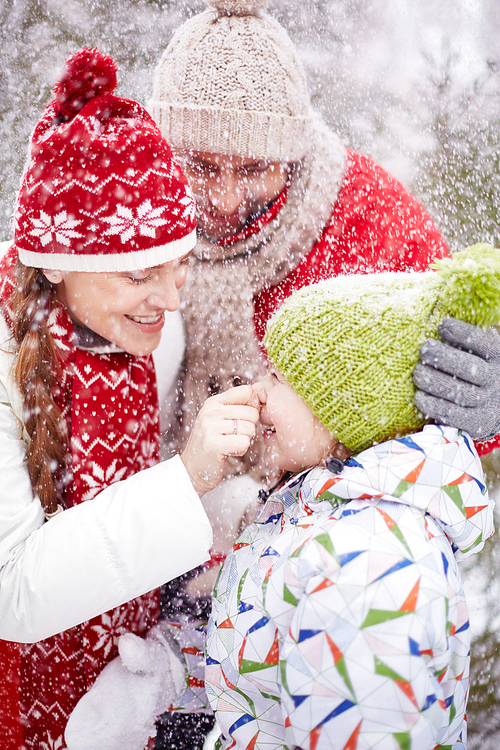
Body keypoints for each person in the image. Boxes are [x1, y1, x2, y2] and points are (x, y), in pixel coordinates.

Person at [147, 2, 500, 745]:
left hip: (308, 582)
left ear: (295, 153)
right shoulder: (138, 213)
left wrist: (485, 411)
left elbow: (437, 407)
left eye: (255, 168)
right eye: (201, 166)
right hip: (158, 561)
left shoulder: (369, 225)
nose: (225, 197)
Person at [64, 242, 499, 750]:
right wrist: (174, 669)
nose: (260, 389)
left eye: (281, 377)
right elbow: (268, 656)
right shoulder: (315, 515)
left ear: (347, 417)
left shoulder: (370, 565)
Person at [0, 47, 259, 750]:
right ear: (62, 268)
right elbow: (13, 594)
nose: (171, 301)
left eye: (180, 265)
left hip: (123, 687)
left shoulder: (143, 331)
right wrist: (188, 479)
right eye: (142, 274)